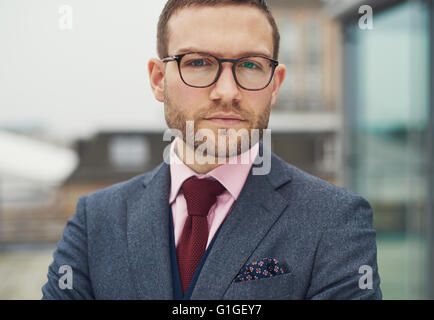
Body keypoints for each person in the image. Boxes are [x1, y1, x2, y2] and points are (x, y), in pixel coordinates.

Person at [42, 0, 382, 300]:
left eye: (250, 65)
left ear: (274, 85)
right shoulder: (96, 220)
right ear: (158, 79)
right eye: (199, 62)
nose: (226, 91)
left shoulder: (335, 221)